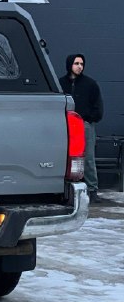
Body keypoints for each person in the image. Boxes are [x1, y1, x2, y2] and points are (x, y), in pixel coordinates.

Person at [59, 54, 104, 203]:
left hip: (84, 125)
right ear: (69, 65)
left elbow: (98, 107)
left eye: (81, 64)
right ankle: (63, 188)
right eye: (76, 63)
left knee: (88, 158)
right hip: (64, 125)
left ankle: (92, 190)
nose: (79, 66)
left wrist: (88, 119)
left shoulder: (90, 84)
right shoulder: (60, 84)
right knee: (64, 156)